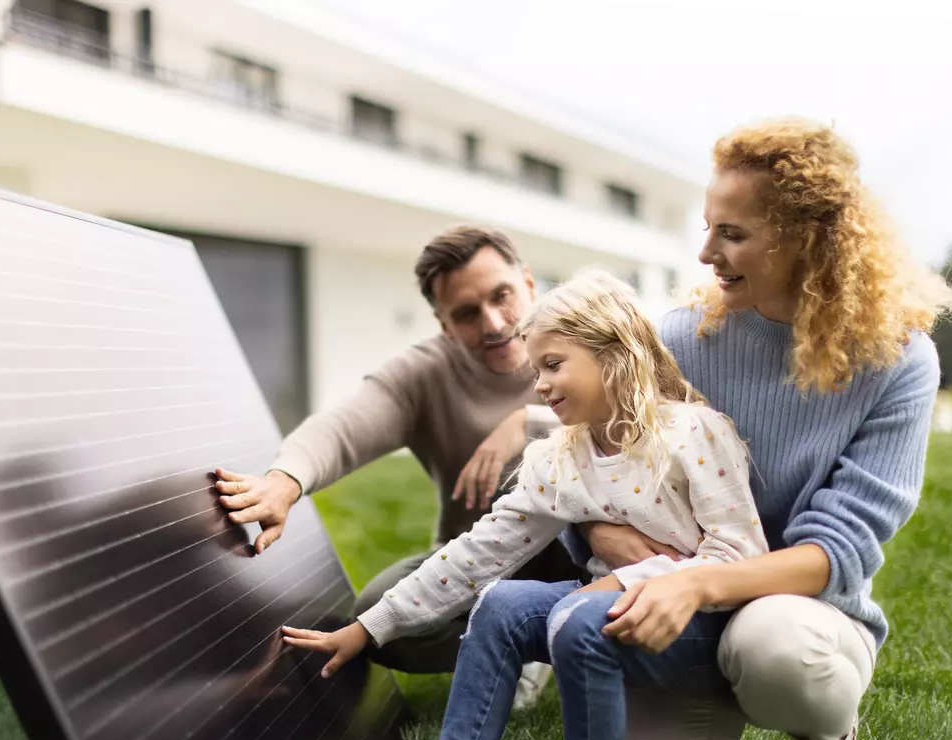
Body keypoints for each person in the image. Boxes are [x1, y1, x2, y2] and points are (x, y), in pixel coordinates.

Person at [551, 117, 952, 740]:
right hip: (674, 620)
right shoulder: (680, 340)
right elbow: (584, 464)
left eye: (732, 234)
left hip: (797, 615)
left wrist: (698, 583)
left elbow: (839, 549)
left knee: (774, 649)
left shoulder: (898, 361)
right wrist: (596, 531)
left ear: (808, 240)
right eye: (707, 228)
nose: (707, 252)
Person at [280, 270, 770, 740]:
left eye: (554, 365)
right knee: (500, 604)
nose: (540, 384)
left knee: (580, 621)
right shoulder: (560, 457)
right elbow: (478, 551)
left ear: (614, 352)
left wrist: (616, 587)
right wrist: (369, 628)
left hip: (694, 627)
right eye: (537, 369)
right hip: (598, 616)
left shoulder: (693, 433)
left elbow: (739, 553)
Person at [213, 226, 676, 704]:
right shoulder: (422, 375)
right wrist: (284, 481)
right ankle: (526, 645)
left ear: (529, 284)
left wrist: (527, 425)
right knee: (377, 613)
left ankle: (564, 630)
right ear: (443, 324)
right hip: (478, 560)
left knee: (547, 467)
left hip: (591, 563)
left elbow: (651, 416)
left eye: (503, 296)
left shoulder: (587, 342)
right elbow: (341, 427)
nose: (494, 323)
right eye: (467, 314)